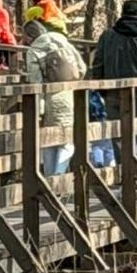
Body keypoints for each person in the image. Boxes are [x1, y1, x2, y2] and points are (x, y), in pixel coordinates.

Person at [89, 0, 137, 159]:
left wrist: (103, 91)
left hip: (114, 96)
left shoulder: (107, 36)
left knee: (119, 136)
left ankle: (125, 175)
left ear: (122, 13)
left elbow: (97, 65)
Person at [22, 15, 86, 177]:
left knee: (48, 141)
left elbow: (35, 82)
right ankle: (59, 177)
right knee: (66, 140)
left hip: (48, 99)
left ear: (30, 36)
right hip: (69, 95)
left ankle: (51, 179)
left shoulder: (34, 51)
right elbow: (82, 68)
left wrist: (39, 109)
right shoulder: (63, 42)